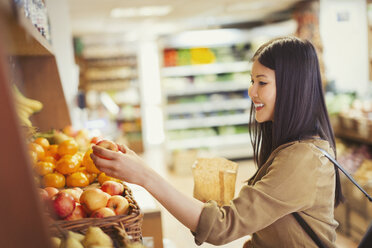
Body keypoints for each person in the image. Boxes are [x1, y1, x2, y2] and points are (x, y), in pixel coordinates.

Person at [90, 36, 343, 247]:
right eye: (252, 81)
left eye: (262, 82)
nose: (252, 91)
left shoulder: (303, 159)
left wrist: (145, 176)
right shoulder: (291, 149)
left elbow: (221, 227)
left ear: (292, 87)